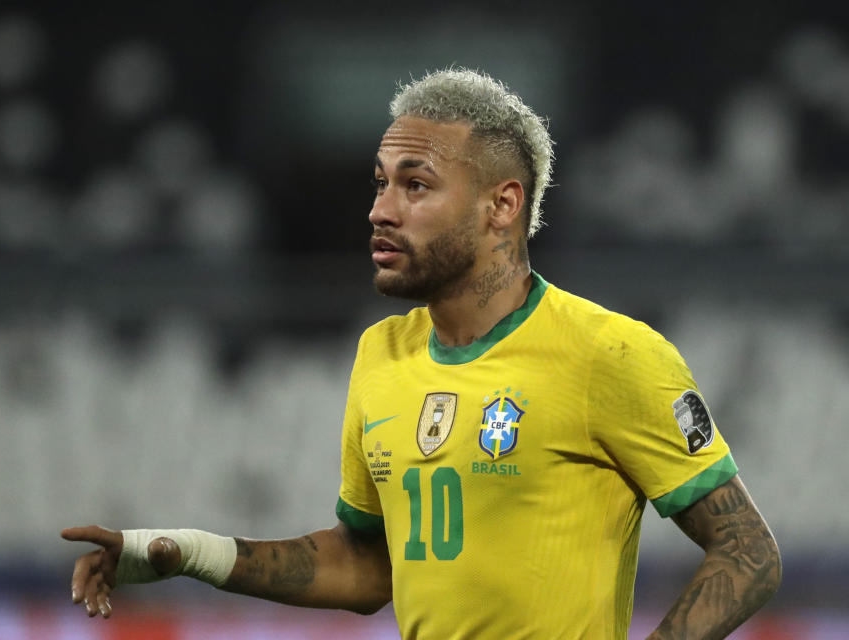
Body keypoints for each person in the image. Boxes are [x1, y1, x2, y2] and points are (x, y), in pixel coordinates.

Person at [62, 68, 781, 639]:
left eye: (416, 185)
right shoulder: (383, 352)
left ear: (501, 206)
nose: (380, 209)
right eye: (381, 183)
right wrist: (186, 551)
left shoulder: (609, 353)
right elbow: (368, 568)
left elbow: (748, 553)